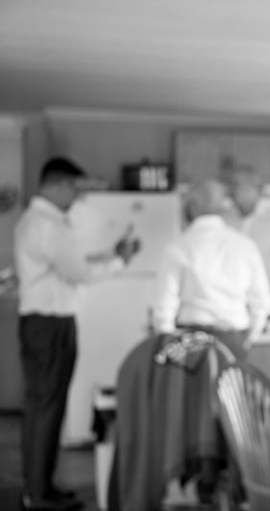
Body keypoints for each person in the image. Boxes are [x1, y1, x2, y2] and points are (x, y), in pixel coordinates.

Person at [14, 157, 141, 511]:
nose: (75, 196)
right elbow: (80, 272)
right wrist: (121, 262)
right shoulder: (48, 224)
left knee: (43, 409)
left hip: (44, 323)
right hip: (49, 325)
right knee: (46, 409)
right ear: (57, 185)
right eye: (73, 188)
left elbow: (72, 261)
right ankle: (38, 494)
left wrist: (111, 255)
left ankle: (39, 489)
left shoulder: (38, 221)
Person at [152, 178, 270, 358]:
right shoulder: (246, 246)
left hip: (189, 341)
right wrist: (248, 339)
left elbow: (164, 305)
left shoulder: (178, 247)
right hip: (234, 338)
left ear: (193, 207)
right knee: (229, 386)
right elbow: (262, 302)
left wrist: (167, 344)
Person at [222, 167, 270, 317]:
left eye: (236, 185)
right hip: (229, 313)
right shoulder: (222, 222)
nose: (230, 191)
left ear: (256, 189)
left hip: (267, 312)